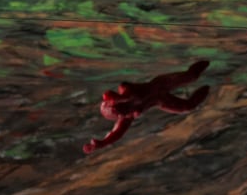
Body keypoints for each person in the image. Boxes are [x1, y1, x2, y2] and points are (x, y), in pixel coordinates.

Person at [82, 60, 210, 153]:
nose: (126, 113)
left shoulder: (126, 90)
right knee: (187, 107)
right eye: (121, 113)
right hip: (161, 100)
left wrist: (120, 99)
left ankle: (207, 61)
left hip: (160, 85)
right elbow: (116, 133)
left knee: (191, 76)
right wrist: (102, 143)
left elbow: (121, 93)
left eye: (121, 109)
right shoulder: (126, 117)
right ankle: (207, 87)